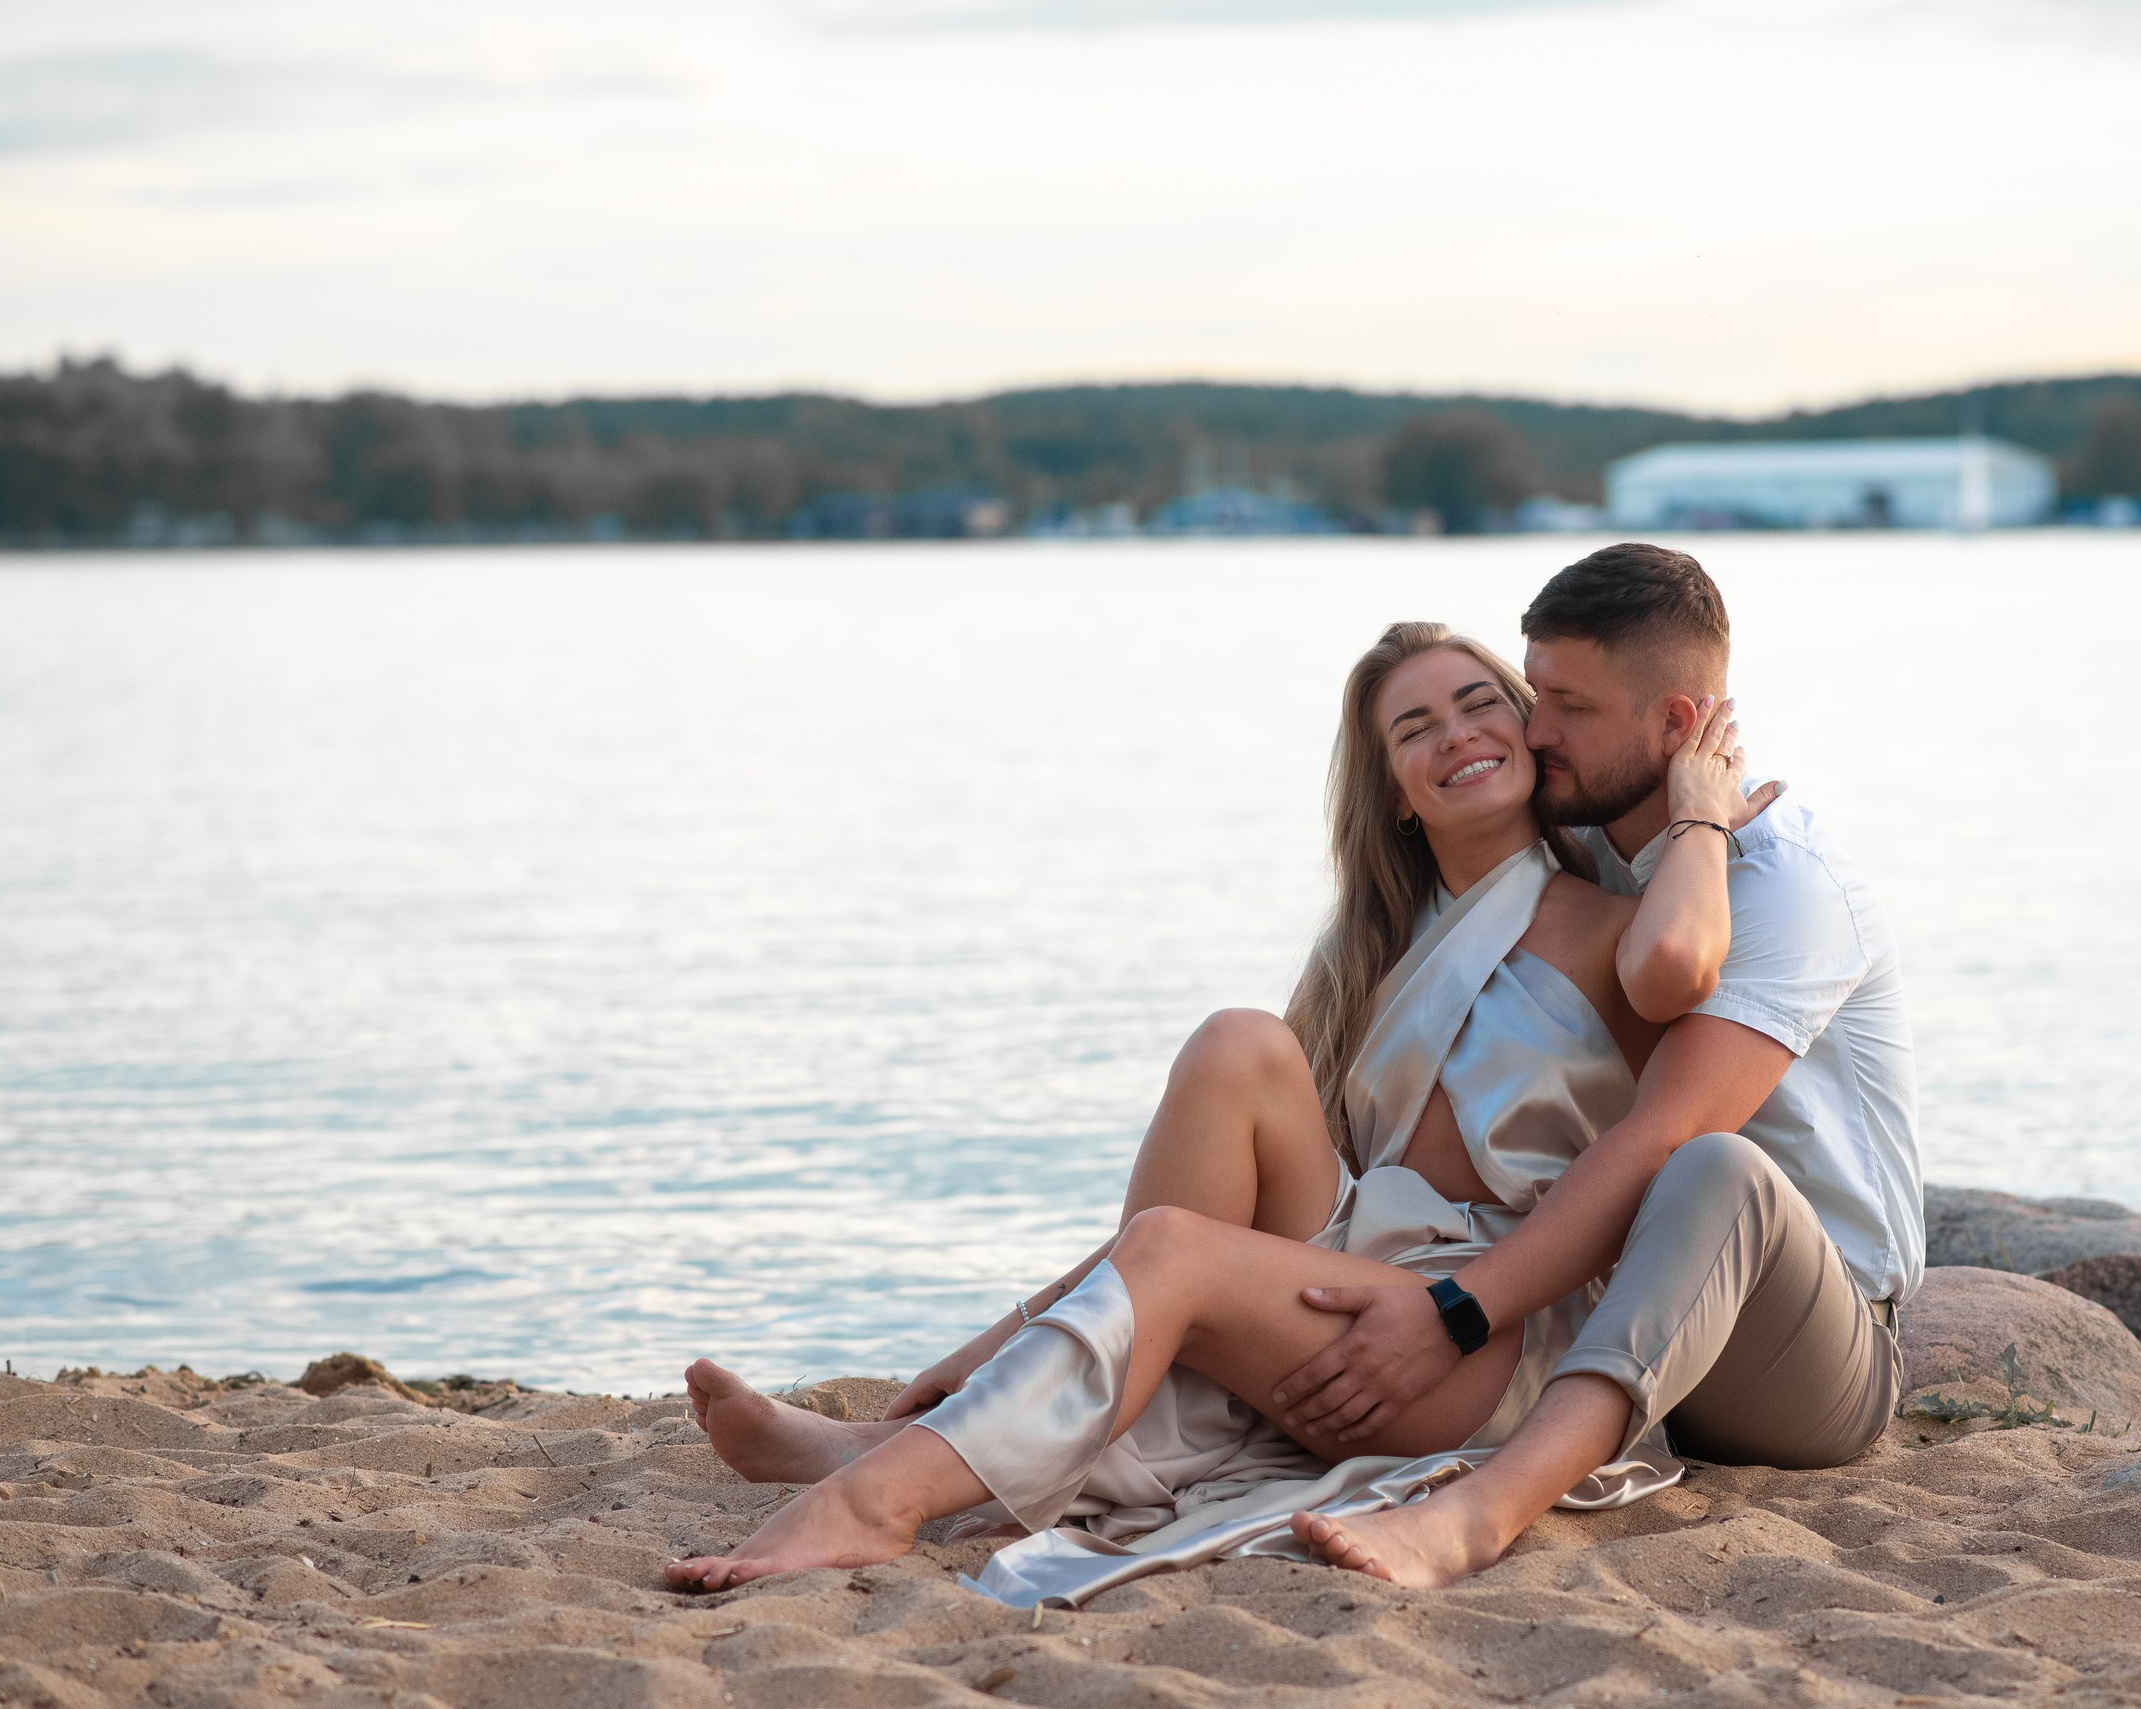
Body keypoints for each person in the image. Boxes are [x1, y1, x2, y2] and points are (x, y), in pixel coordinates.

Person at [665, 617, 1759, 1591]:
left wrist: (1698, 816)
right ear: (1391, 786)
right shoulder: (1371, 954)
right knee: (1236, 1044)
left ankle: (871, 1492)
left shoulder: (1618, 922)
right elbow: (1169, 1220)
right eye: (1414, 726)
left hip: (1482, 1327)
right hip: (1349, 1264)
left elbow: (1678, 963)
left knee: (1181, 1255)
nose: (1457, 734)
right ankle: (915, 1437)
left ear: (1530, 733)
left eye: (1482, 703)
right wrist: (1007, 1326)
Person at [1284, 542, 1921, 1586]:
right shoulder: (1589, 845)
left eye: (1567, 707)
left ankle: (1481, 1515)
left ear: (1675, 725)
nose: (1532, 730)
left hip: (1801, 1345)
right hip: (1603, 1308)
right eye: (1535, 693)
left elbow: (1663, 1130)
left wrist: (1454, 1313)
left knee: (1709, 1163)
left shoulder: (1785, 886)